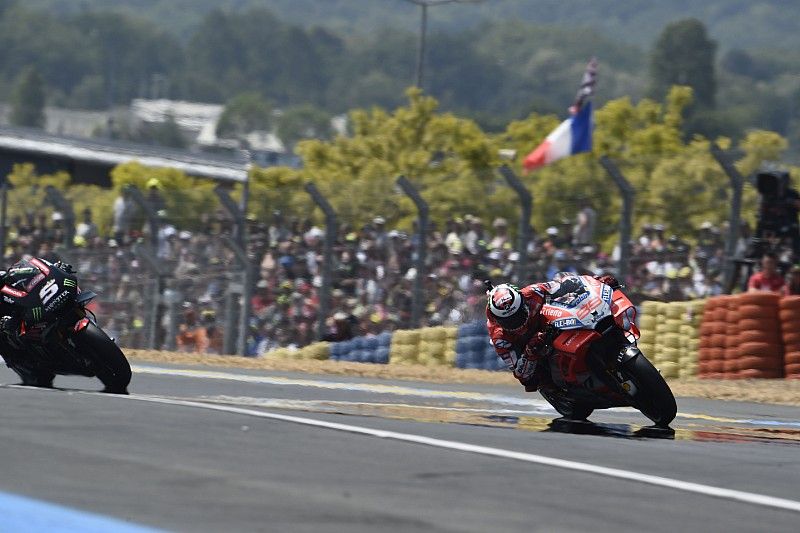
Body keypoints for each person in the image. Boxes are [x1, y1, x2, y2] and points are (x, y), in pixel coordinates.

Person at [486, 273, 619, 391]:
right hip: (530, 348)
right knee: (533, 381)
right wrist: (530, 351)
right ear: (497, 319)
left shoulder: (533, 292)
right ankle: (565, 390)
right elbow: (521, 375)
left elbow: (564, 284)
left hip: (553, 324)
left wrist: (597, 282)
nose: (516, 322)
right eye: (508, 321)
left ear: (522, 302)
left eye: (518, 315)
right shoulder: (500, 338)